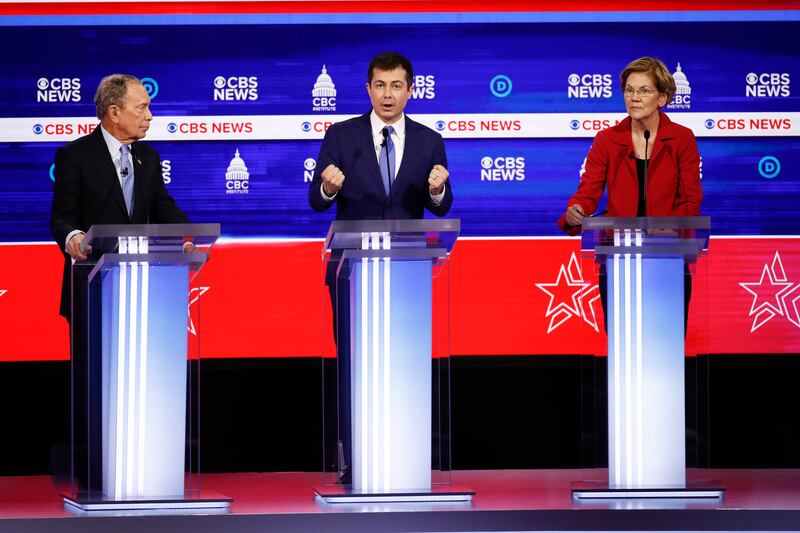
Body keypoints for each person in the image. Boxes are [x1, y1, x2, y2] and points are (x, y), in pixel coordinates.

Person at [309, 52, 453, 483]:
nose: (388, 94)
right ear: (368, 89)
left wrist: (437, 191)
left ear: (411, 89)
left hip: (407, 270)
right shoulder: (341, 135)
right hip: (350, 270)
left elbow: (441, 203)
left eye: (396, 86)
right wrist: (328, 188)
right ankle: (354, 460)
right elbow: (317, 201)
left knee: (405, 362)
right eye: (380, 85)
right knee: (355, 362)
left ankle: (405, 457)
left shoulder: (429, 140)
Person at [49, 74, 189, 489]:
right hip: (91, 288)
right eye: (141, 107)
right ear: (114, 113)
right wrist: (73, 238)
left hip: (142, 290)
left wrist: (187, 234)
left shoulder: (148, 158)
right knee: (95, 383)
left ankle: (143, 463)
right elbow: (62, 216)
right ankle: (93, 470)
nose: (150, 115)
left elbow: (163, 207)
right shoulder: (75, 156)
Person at [557, 56, 702, 331]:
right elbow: (588, 191)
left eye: (644, 90)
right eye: (629, 90)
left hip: (668, 257)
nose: (634, 98)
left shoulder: (682, 139)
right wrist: (577, 210)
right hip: (618, 257)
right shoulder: (607, 140)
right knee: (623, 342)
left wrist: (668, 228)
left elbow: (691, 200)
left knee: (665, 339)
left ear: (663, 98)